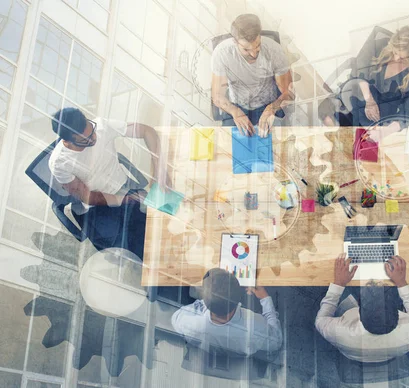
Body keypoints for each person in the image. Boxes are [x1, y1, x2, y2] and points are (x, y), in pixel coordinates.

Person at [48, 107, 170, 257]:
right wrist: (129, 199)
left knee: (167, 223)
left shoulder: (101, 126)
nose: (93, 139)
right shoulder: (60, 163)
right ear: (67, 141)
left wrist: (159, 168)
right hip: (101, 206)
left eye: (91, 131)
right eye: (85, 140)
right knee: (145, 249)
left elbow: (147, 131)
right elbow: (88, 197)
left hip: (125, 187)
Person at [315, 254, 409, 363]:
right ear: (397, 313)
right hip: (386, 354)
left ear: (359, 312)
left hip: (353, 352)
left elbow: (321, 319)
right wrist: (401, 281)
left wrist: (339, 282)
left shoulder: (338, 331)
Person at [321, 26, 409, 127]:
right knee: (327, 117)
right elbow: (360, 67)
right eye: (395, 52)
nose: (396, 58)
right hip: (354, 95)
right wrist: (369, 100)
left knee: (357, 140)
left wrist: (388, 130)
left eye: (403, 59)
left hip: (376, 119)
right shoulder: (380, 43)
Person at [211, 14, 293, 137]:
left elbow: (289, 93)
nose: (254, 54)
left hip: (268, 104)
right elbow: (217, 95)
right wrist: (234, 111)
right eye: (246, 49)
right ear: (235, 41)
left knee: (276, 147)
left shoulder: (274, 50)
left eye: (257, 46)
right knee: (231, 146)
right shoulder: (222, 53)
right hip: (237, 105)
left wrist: (271, 108)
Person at [171, 268, 283, 357]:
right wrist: (265, 298)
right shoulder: (254, 328)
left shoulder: (187, 323)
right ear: (239, 299)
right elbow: (276, 342)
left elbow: (175, 318)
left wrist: (209, 296)